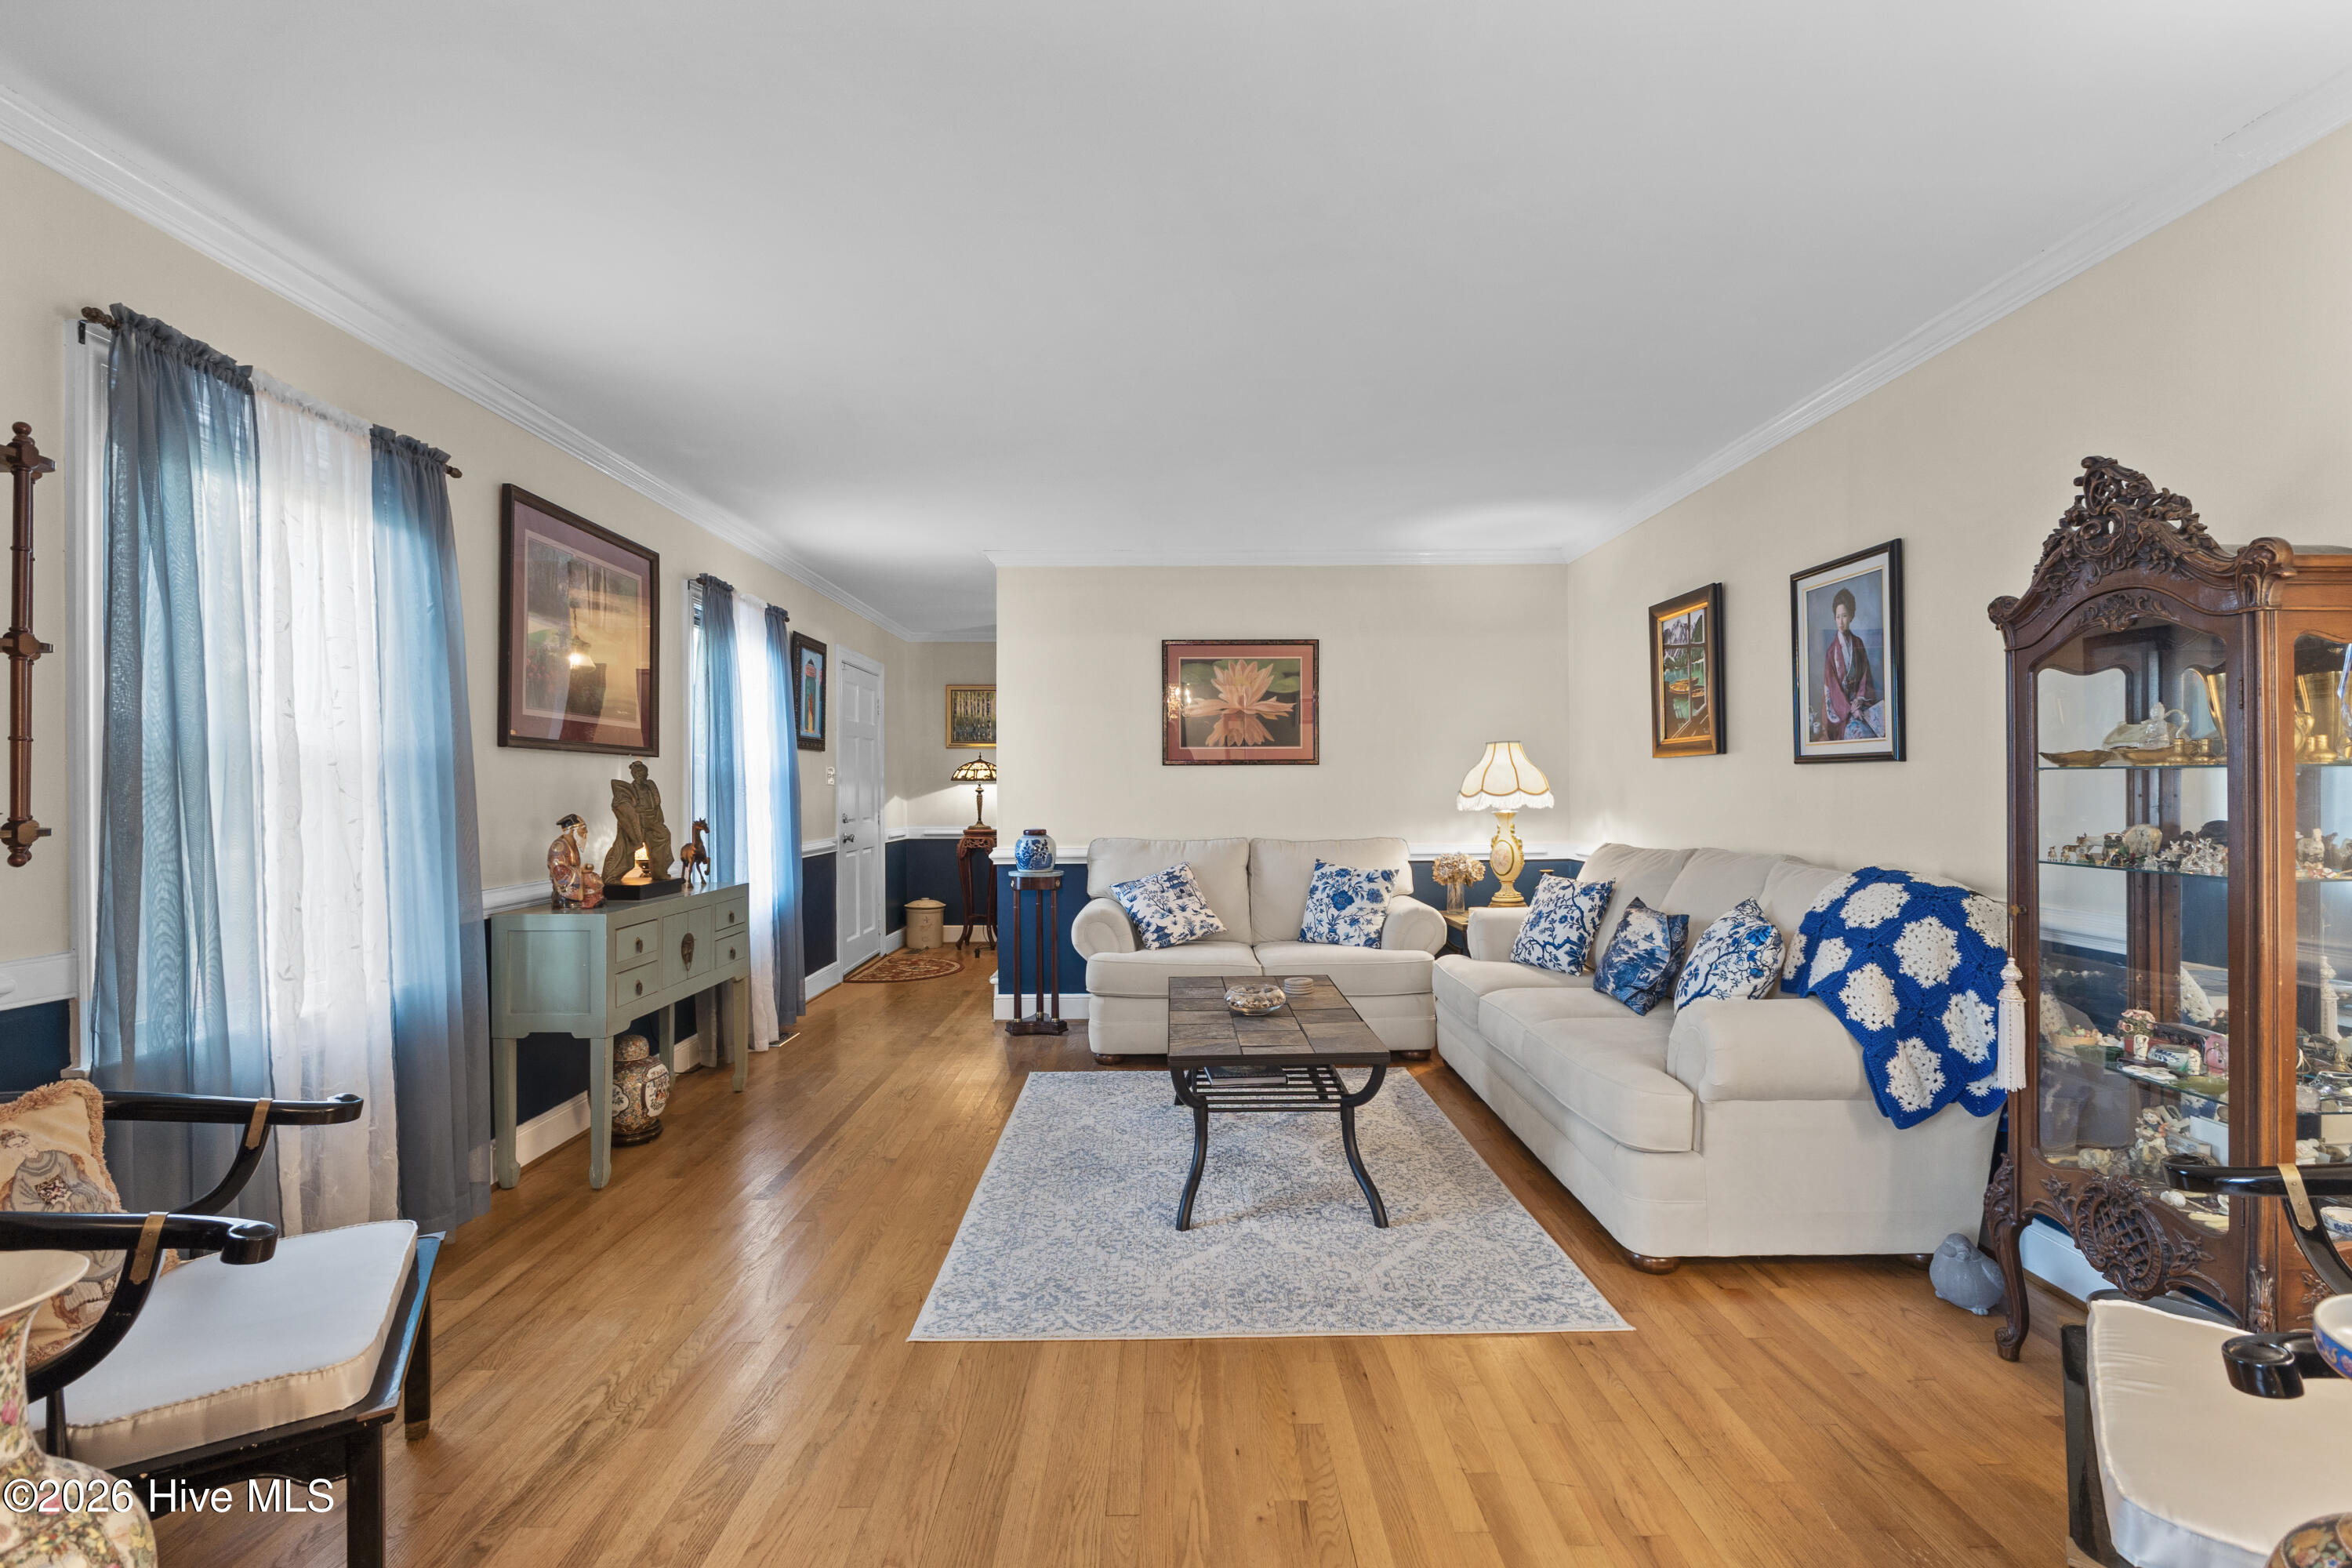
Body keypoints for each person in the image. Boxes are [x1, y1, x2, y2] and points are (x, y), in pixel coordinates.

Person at [1820, 586, 1879, 741]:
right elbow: (1832, 688)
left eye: (1844, 616)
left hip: (1859, 704)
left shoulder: (1858, 643)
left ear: (1852, 616)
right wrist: (1850, 710)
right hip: (1842, 712)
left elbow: (1866, 676)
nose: (1840, 621)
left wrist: (1859, 700)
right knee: (1860, 734)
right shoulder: (1831, 652)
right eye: (1838, 616)